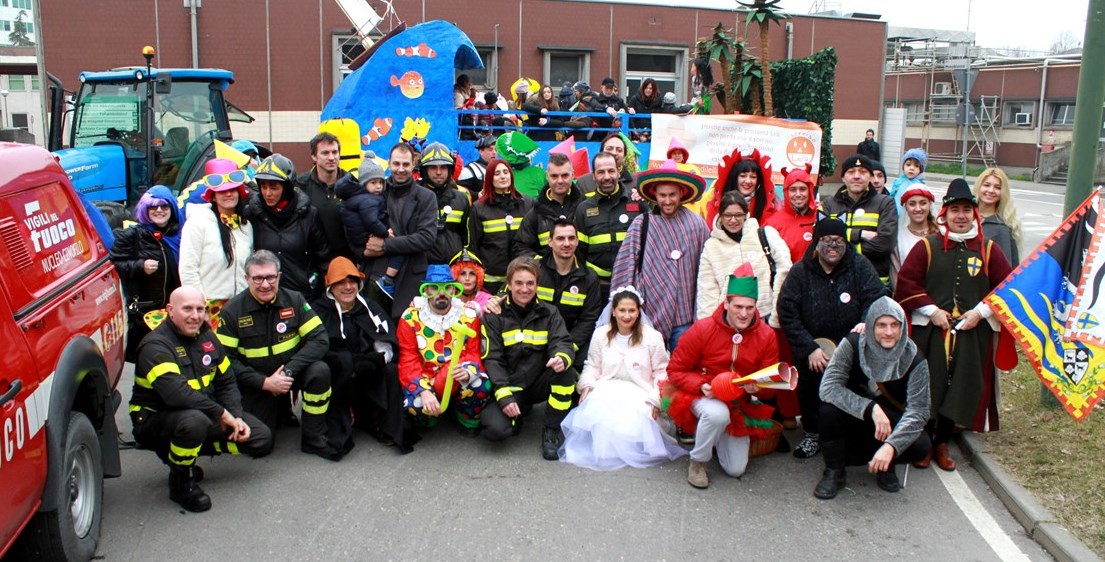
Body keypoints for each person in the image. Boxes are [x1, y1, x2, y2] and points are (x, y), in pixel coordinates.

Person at [895, 178, 1012, 471]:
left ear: (974, 213)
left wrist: (980, 313)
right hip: (932, 330)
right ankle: (924, 441)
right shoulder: (927, 246)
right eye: (955, 210)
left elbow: (1008, 288)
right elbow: (907, 283)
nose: (961, 216)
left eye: (966, 210)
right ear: (944, 214)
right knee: (929, 383)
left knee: (960, 385)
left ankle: (942, 442)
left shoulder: (988, 250)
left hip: (972, 332)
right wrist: (932, 310)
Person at [130, 286, 273, 512]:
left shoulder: (207, 336)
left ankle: (184, 452)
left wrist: (236, 416)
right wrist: (222, 414)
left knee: (260, 439)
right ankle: (181, 481)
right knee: (194, 423)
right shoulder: (155, 346)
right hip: (157, 419)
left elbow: (226, 381)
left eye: (200, 309)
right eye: (187, 309)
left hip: (202, 413)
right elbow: (177, 394)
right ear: (170, 310)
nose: (195, 316)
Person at [777, 218, 886, 460]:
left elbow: (877, 297)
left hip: (853, 347)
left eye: (838, 241)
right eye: (826, 240)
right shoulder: (800, 272)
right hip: (815, 351)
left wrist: (866, 322)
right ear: (816, 243)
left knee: (853, 391)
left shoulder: (860, 266)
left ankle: (850, 435)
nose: (832, 246)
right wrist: (809, 348)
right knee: (810, 393)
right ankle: (813, 434)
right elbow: (787, 311)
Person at [217, 250, 341, 460]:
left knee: (319, 371)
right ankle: (279, 411)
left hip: (289, 374)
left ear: (279, 276)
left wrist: (288, 371)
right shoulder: (231, 311)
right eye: (257, 278)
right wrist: (264, 383)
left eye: (270, 277)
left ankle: (313, 436)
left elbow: (320, 339)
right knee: (261, 444)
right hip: (256, 383)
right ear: (247, 278)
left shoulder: (294, 299)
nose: (265, 284)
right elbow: (225, 362)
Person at [666, 264, 780, 488]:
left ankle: (713, 437)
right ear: (726, 303)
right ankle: (698, 462)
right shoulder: (702, 329)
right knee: (716, 414)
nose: (744, 313)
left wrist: (759, 388)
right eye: (738, 306)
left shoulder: (766, 335)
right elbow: (675, 370)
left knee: (735, 469)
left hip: (737, 402)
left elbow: (770, 386)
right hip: (702, 395)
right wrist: (701, 386)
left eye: (749, 307)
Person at [814, 296, 932, 499]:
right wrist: (870, 408)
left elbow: (919, 411)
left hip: (891, 421)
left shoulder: (915, 358)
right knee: (827, 413)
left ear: (902, 327)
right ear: (870, 326)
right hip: (854, 415)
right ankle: (835, 470)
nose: (889, 332)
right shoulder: (852, 343)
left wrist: (892, 446)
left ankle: (887, 464)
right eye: (882, 325)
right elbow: (828, 387)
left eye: (894, 325)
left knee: (921, 445)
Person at [559, 286, 686, 470]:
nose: (627, 316)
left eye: (632, 310)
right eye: (622, 310)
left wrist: (655, 399)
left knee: (632, 413)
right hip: (607, 386)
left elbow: (662, 372)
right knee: (599, 405)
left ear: (639, 312)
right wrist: (586, 385)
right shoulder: (601, 334)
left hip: (640, 390)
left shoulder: (652, 337)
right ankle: (607, 449)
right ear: (613, 311)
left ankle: (629, 449)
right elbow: (592, 366)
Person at [480, 257, 578, 460]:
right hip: (510, 385)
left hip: (538, 383)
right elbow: (493, 359)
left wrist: (561, 357)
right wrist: (504, 397)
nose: (524, 289)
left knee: (566, 372)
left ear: (537, 284)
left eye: (530, 283)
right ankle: (517, 412)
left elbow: (563, 342)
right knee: (495, 431)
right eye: (518, 283)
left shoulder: (550, 312)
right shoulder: (494, 315)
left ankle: (551, 429)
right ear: (508, 284)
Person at [611, 161, 709, 350]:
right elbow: (624, 266)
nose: (667, 201)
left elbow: (706, 272)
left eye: (672, 195)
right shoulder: (641, 224)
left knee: (682, 365)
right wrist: (622, 308)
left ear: (682, 193)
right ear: (654, 194)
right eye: (662, 195)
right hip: (648, 316)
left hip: (684, 318)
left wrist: (702, 315)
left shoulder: (697, 225)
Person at [313, 257, 407, 453]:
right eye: (341, 282)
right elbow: (317, 348)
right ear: (330, 286)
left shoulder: (369, 307)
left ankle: (384, 425)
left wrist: (380, 358)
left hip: (367, 369)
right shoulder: (319, 311)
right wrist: (350, 362)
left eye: (352, 281)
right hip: (338, 371)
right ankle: (340, 425)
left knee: (390, 370)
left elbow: (386, 337)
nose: (348, 287)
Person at [397, 265, 491, 438]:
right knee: (415, 405)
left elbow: (474, 352)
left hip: (457, 373)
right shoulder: (410, 318)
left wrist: (468, 371)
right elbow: (408, 359)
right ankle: (430, 418)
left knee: (481, 385)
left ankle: (465, 418)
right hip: (426, 378)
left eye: (447, 288)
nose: (441, 293)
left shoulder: (468, 315)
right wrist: (423, 390)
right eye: (434, 288)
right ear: (426, 290)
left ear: (454, 290)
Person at [363, 143, 438, 318]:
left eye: (405, 164)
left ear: (413, 164)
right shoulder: (376, 192)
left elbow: (426, 238)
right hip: (375, 274)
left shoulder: (426, 197)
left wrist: (385, 245)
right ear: (389, 163)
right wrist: (364, 251)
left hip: (411, 278)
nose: (401, 169)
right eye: (396, 164)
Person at [110, 185, 183, 362]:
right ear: (145, 209)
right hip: (146, 314)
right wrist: (139, 266)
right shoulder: (132, 235)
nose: (159, 210)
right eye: (153, 207)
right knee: (151, 360)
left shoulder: (182, 233)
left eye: (164, 206)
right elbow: (113, 266)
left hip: (176, 308)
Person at [697, 191, 791, 326]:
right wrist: (708, 327)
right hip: (728, 321)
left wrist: (776, 316)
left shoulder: (765, 234)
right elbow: (707, 290)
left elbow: (785, 270)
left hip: (764, 317)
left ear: (746, 214)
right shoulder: (711, 246)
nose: (733, 220)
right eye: (728, 215)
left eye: (738, 215)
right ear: (720, 216)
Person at [245, 153, 331, 300]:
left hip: (302, 296)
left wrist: (323, 293)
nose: (267, 193)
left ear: (287, 187)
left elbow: (322, 257)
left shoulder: (309, 214)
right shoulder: (253, 213)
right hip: (264, 295)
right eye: (263, 187)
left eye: (274, 187)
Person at [179, 158, 253, 324]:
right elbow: (188, 269)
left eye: (232, 189)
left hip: (242, 306)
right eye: (222, 191)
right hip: (208, 308)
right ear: (213, 196)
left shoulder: (246, 225)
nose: (228, 194)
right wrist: (198, 308)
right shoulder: (198, 222)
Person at [574, 152, 649, 301]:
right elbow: (579, 253)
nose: (607, 177)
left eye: (611, 171)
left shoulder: (637, 203)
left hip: (631, 286)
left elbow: (649, 245)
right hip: (597, 287)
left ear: (619, 172)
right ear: (593, 176)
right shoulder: (583, 209)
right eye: (601, 172)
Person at [819, 153, 897, 288]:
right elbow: (819, 238)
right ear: (843, 178)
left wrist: (838, 247)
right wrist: (860, 234)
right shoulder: (828, 205)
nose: (856, 176)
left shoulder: (885, 203)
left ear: (870, 177)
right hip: (836, 281)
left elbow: (884, 245)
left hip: (874, 282)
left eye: (862, 171)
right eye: (851, 172)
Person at [336, 151, 405, 298]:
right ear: (364, 183)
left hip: (359, 243)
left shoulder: (353, 198)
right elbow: (371, 221)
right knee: (399, 250)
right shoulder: (368, 200)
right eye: (373, 183)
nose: (378, 187)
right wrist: (385, 233)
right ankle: (388, 279)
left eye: (380, 182)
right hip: (369, 238)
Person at [537, 219, 602, 365]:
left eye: (571, 238)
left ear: (577, 241)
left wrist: (566, 350)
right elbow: (510, 294)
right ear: (549, 241)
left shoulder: (589, 278)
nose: (567, 243)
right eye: (560, 238)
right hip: (536, 341)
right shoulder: (534, 271)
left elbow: (588, 320)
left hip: (571, 342)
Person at [468, 157, 534, 294]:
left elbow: (533, 240)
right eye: (497, 174)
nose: (503, 176)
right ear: (489, 179)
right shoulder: (479, 208)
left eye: (505, 172)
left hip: (523, 279)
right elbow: (474, 246)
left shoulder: (527, 203)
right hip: (491, 282)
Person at [514, 152, 584, 258]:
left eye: (565, 175)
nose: (560, 181)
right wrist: (541, 264)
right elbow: (520, 247)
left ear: (573, 175)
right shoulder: (536, 213)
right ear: (547, 176)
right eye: (554, 176)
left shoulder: (584, 207)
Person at [296, 132, 353, 260]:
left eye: (335, 152)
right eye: (325, 153)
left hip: (346, 260)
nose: (331, 157)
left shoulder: (352, 184)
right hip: (312, 260)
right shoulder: (300, 185)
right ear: (314, 156)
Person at [417, 142, 472, 267]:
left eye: (443, 167)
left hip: (454, 267)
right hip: (420, 268)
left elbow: (467, 237)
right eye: (433, 167)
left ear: (450, 170)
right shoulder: (413, 197)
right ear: (424, 170)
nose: (438, 172)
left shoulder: (461, 198)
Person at [704, 148, 776, 227]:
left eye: (753, 177)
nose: (748, 181)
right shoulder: (718, 203)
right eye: (743, 176)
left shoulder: (767, 205)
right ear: (734, 178)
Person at [764, 165, 820, 263]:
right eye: (793, 190)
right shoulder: (772, 224)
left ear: (810, 191)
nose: (798, 194)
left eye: (802, 189)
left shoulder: (821, 218)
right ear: (786, 192)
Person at [891, 184, 938, 289]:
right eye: (912, 204)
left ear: (930, 205)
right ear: (906, 207)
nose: (918, 208)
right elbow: (896, 276)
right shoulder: (898, 237)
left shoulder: (939, 235)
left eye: (923, 203)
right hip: (909, 294)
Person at [974, 167, 1023, 267]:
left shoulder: (1002, 228)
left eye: (997, 187)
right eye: (986, 185)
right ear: (978, 187)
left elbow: (1005, 268)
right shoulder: (965, 219)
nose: (991, 190)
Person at [451, 248, 497, 314]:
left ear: (478, 276)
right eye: (462, 273)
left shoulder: (488, 300)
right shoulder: (448, 298)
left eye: (472, 274)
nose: (467, 278)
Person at [886, 148, 927, 215]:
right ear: (903, 167)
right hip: (895, 216)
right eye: (908, 165)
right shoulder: (898, 182)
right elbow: (891, 198)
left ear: (920, 170)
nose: (911, 168)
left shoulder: (920, 186)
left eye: (916, 166)